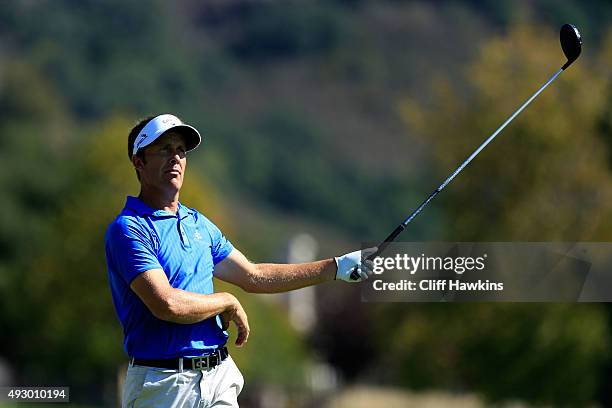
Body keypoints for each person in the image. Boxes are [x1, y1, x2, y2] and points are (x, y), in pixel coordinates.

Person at [105, 114, 375, 408]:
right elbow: (166, 304)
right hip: (164, 385)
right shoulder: (129, 229)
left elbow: (254, 275)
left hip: (218, 375)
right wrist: (226, 301)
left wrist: (336, 267)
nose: (176, 158)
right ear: (139, 162)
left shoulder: (199, 224)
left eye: (181, 150)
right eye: (164, 149)